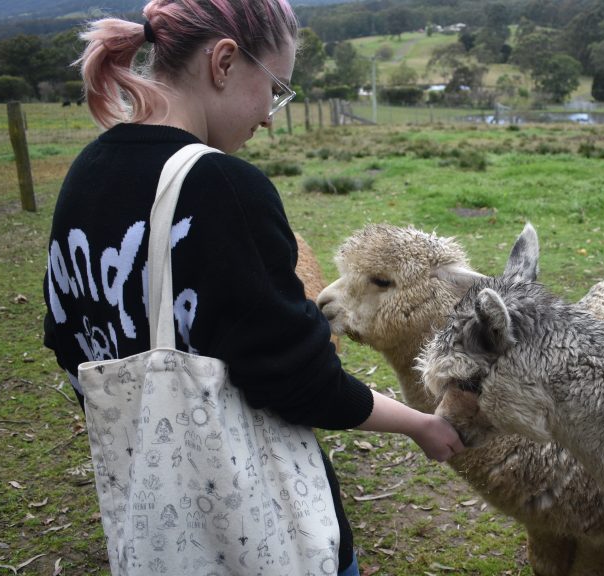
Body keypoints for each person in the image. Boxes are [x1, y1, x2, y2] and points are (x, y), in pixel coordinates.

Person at [40, 1, 464, 574]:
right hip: (258, 521)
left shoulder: (85, 172)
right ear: (223, 62)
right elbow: (299, 381)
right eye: (276, 87)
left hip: (151, 521)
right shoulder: (221, 186)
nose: (269, 116)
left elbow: (72, 342)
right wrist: (419, 423)